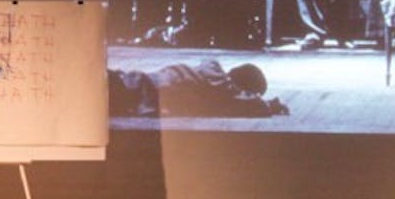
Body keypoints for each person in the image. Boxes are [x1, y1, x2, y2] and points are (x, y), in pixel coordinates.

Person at [108, 59, 288, 118]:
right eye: (250, 92)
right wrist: (268, 106)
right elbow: (242, 103)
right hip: (134, 87)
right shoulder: (215, 74)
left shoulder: (210, 80)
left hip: (132, 87)